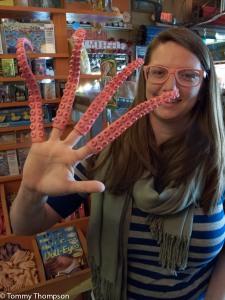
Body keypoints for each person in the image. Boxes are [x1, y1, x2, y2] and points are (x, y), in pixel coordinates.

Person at [10, 27, 225, 300]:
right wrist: (31, 190)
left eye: (188, 75)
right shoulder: (101, 154)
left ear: (204, 84)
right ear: (145, 78)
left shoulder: (219, 160)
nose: (170, 87)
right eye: (159, 72)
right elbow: (24, 227)